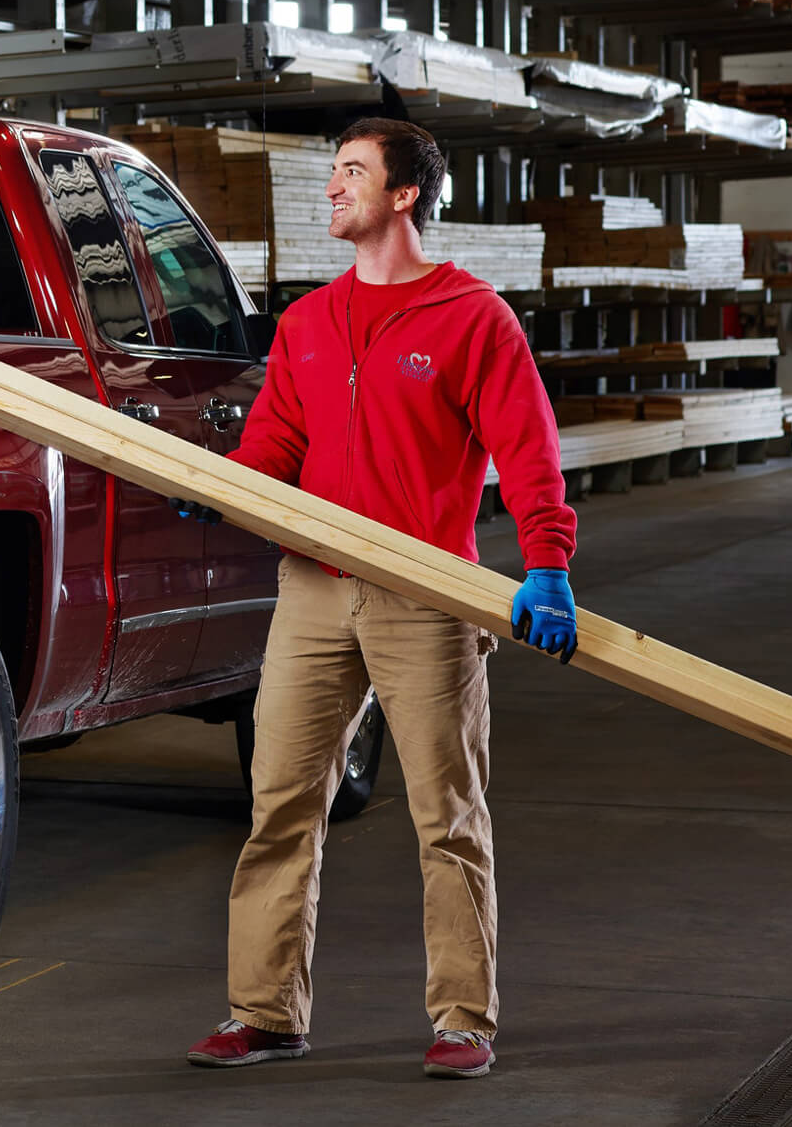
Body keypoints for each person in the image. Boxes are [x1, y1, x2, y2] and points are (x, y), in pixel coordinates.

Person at [182, 117, 580, 1079]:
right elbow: (275, 448)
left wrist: (548, 564)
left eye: (352, 173)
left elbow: (528, 453)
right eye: (333, 174)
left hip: (426, 596)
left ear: (406, 195)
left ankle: (462, 1021)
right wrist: (219, 488)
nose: (332, 189)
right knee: (279, 805)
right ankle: (266, 1013)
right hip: (314, 592)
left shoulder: (473, 318)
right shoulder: (309, 324)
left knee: (448, 816)